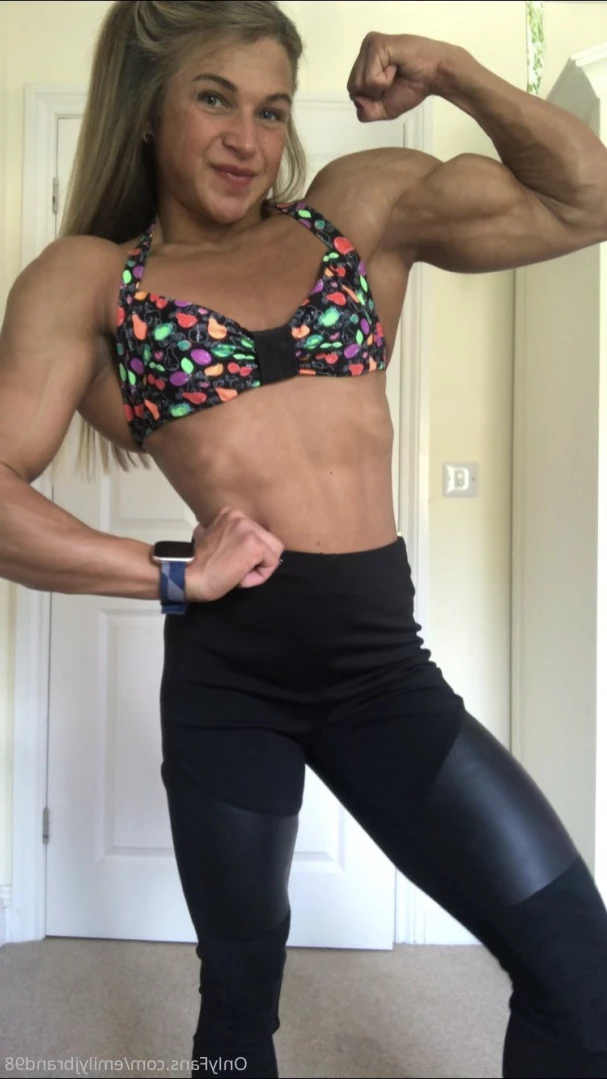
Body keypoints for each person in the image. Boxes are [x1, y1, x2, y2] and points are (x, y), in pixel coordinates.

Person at [1, 2, 607, 1076]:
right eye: (214, 99)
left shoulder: (354, 213)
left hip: (383, 675)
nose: (248, 139)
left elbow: (585, 198)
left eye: (272, 109)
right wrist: (169, 573)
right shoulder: (94, 278)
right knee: (238, 1018)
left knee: (579, 967)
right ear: (148, 111)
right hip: (230, 686)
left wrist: (453, 69)